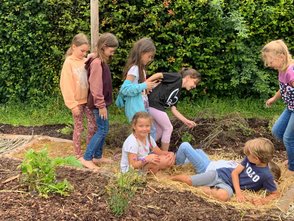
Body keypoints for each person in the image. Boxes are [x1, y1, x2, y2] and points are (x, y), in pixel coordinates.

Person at [171, 138, 280, 205]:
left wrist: (262, 201)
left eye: (249, 154)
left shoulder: (266, 176)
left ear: (257, 158)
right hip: (220, 174)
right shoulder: (249, 160)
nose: (246, 155)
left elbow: (275, 193)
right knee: (189, 181)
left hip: (228, 186)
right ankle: (169, 178)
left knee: (223, 196)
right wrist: (239, 193)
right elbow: (234, 173)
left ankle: (203, 189)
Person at [79, 33, 119, 170]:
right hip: (98, 104)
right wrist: (101, 105)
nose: (112, 53)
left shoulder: (98, 60)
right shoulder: (96, 63)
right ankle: (87, 158)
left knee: (103, 129)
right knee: (102, 130)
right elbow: (96, 87)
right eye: (111, 51)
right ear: (104, 47)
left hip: (101, 104)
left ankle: (98, 156)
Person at [60, 33, 96, 159]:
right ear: (74, 47)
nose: (84, 53)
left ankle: (89, 152)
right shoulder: (68, 63)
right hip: (76, 102)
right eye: (82, 51)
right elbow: (66, 85)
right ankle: (77, 154)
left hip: (87, 100)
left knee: (93, 126)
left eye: (86, 51)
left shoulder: (84, 61)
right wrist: (72, 104)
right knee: (79, 128)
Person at [147, 68, 201, 151]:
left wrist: (186, 121)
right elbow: (159, 74)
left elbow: (174, 109)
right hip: (154, 104)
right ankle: (165, 154)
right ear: (189, 77)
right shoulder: (177, 77)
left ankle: (144, 149)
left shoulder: (178, 91)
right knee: (168, 128)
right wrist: (145, 84)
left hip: (157, 107)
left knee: (160, 130)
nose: (195, 86)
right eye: (195, 82)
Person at [262, 39, 294, 176]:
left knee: (288, 138)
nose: (270, 65)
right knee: (277, 131)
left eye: (271, 62)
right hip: (290, 107)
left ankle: (292, 168)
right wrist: (274, 99)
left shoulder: (291, 73)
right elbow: (283, 88)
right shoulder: (282, 70)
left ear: (281, 57)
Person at [115, 37, 162, 123]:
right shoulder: (134, 69)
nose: (150, 59)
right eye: (149, 56)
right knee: (142, 133)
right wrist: (144, 85)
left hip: (142, 106)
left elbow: (138, 87)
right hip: (135, 110)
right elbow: (125, 89)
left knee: (149, 131)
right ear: (141, 53)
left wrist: (149, 87)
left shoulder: (141, 69)